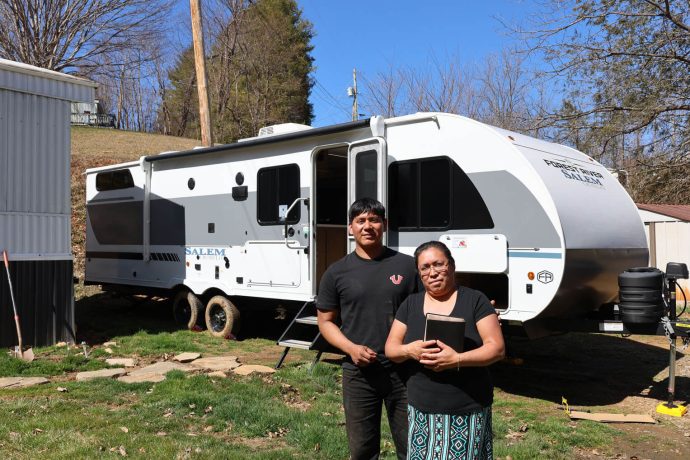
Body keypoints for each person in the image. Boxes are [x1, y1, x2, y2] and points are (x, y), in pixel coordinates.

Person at [317, 197, 421, 460]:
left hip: (405, 370)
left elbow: (433, 305)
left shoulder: (408, 266)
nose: (367, 226)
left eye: (374, 219)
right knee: (362, 450)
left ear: (384, 224)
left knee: (412, 447)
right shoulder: (336, 272)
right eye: (360, 220)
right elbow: (325, 321)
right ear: (350, 228)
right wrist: (350, 348)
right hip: (359, 372)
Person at [385, 241, 504, 460]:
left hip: (466, 408)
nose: (432, 272)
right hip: (421, 408)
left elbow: (496, 348)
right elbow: (391, 348)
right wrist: (410, 350)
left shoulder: (476, 301)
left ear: (451, 266)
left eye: (438, 264)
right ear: (419, 274)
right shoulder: (410, 304)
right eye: (425, 267)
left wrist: (457, 358)